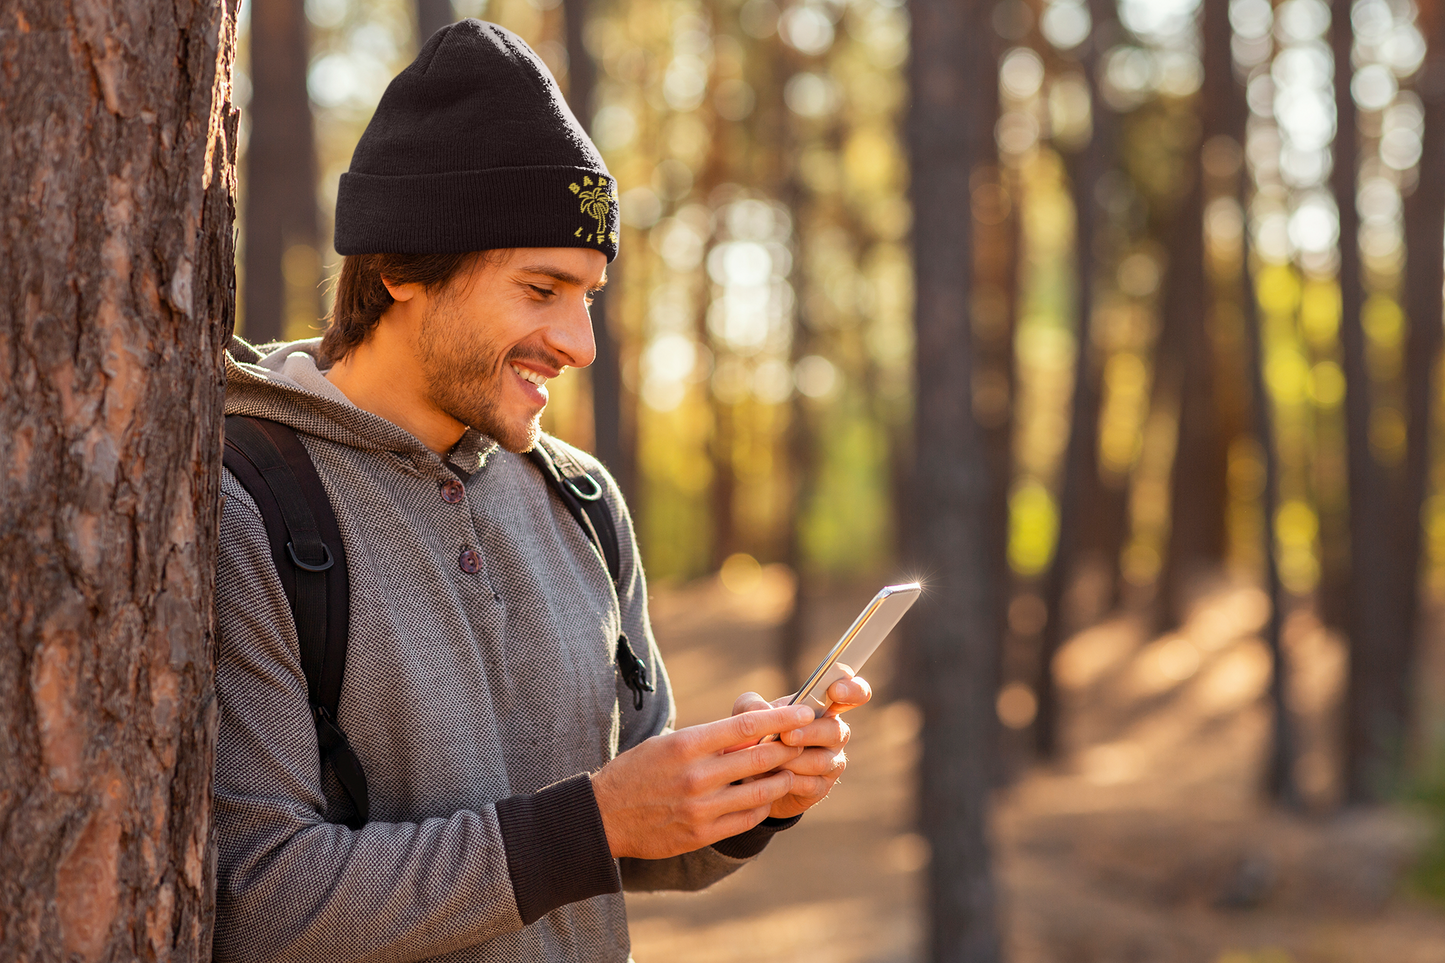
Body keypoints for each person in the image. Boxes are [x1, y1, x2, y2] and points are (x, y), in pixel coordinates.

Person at [213, 19, 870, 963]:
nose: (579, 342)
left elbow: (627, 839)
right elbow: (259, 898)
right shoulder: (251, 503)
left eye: (588, 296)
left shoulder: (581, 502)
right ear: (400, 265)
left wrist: (743, 795)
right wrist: (593, 822)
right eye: (541, 289)